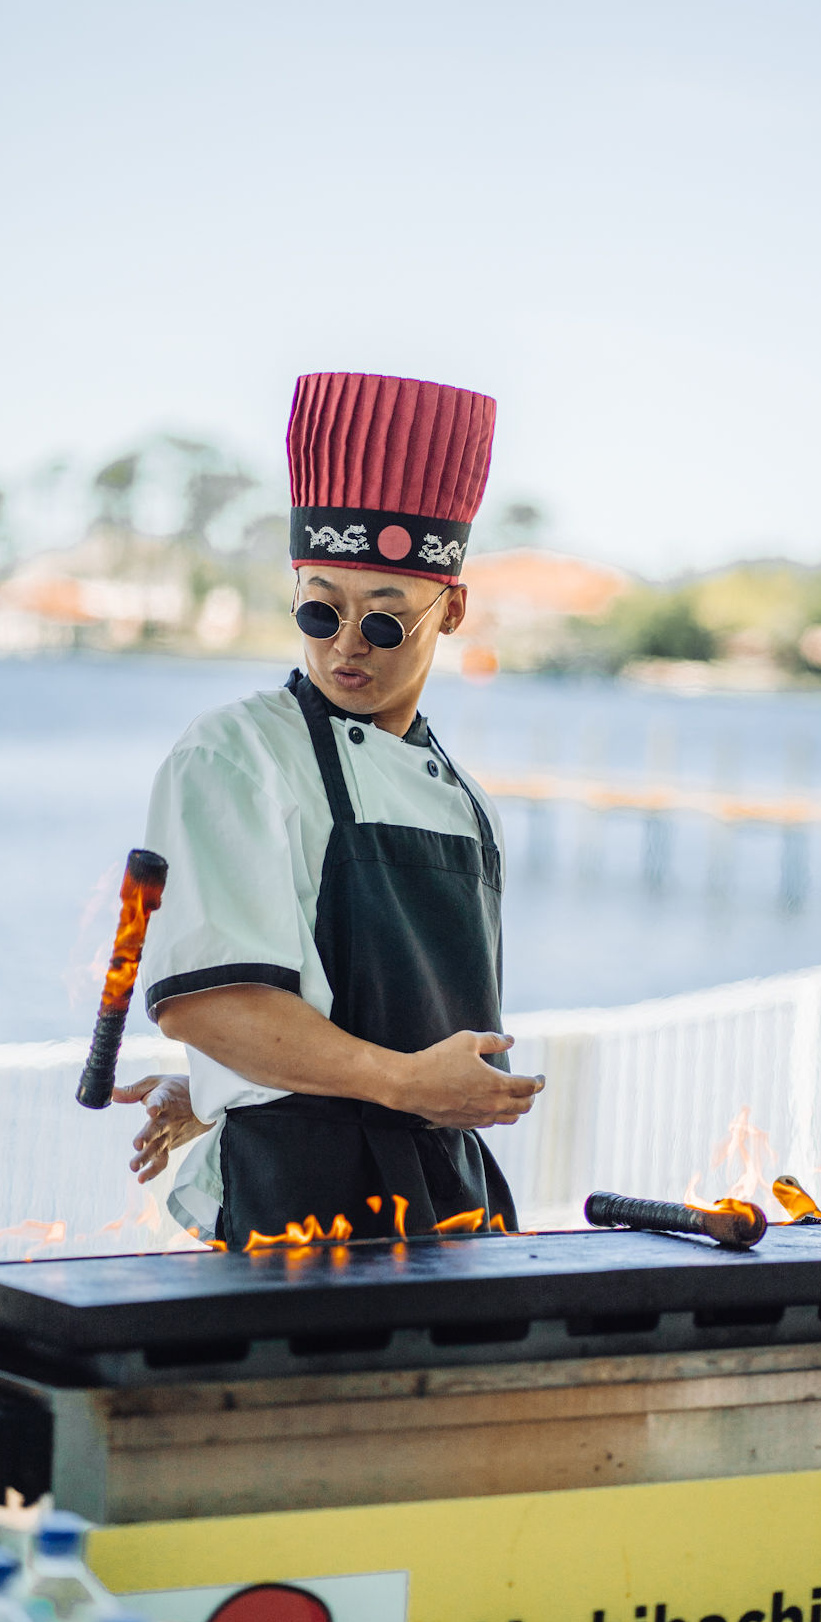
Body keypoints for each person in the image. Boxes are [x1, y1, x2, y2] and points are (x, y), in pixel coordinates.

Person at [115, 371, 544, 1247]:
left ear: (451, 609)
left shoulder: (467, 801)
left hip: (452, 1203)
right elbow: (207, 1004)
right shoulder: (235, 755)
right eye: (320, 609)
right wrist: (394, 1084)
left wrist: (217, 1085)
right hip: (299, 1219)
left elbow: (362, 1006)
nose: (346, 646)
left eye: (385, 622)